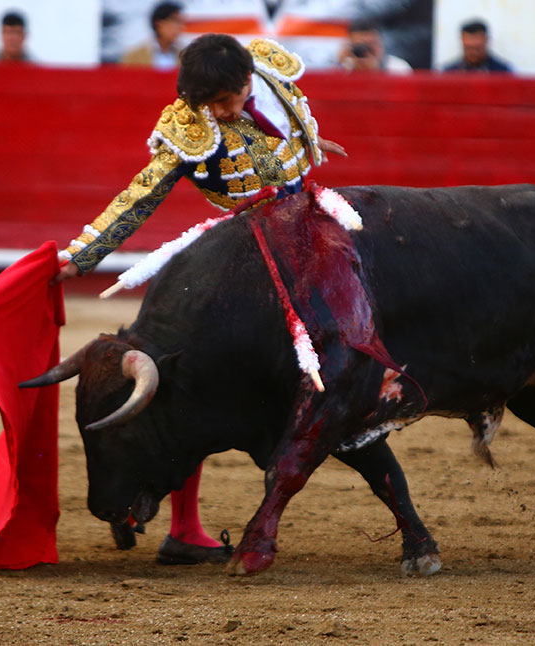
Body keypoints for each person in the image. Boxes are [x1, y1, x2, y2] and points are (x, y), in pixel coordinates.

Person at [52, 33, 346, 565]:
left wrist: (309, 146)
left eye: (229, 100)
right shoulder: (186, 127)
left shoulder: (269, 69)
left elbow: (290, 120)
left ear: (246, 80)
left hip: (314, 224)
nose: (222, 111)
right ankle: (184, 526)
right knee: (195, 389)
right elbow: (139, 195)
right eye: (210, 105)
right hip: (247, 254)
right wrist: (81, 256)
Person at [121, 2, 185, 69]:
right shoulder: (134, 55)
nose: (180, 26)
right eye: (175, 21)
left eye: (181, 22)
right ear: (159, 23)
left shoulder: (185, 56)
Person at [337, 18, 412, 74]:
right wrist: (340, 64)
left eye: (371, 44)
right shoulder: (344, 67)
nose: (365, 50)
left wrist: (376, 71)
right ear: (350, 44)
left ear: (381, 42)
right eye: (360, 45)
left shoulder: (398, 67)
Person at [441, 20, 511, 73]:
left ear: (486, 41)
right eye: (468, 48)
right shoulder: (449, 73)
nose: (473, 53)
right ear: (462, 42)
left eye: (478, 48)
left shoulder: (502, 72)